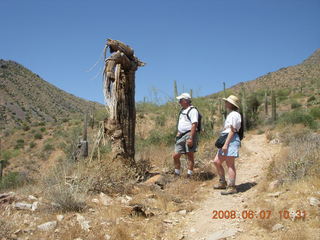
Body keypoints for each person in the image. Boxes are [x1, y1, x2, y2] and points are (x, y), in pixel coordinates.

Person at [213, 95, 242, 195]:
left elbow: (232, 130)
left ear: (231, 104)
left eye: (227, 102)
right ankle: (223, 182)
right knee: (217, 161)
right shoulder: (232, 114)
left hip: (231, 140)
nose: (225, 103)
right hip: (227, 139)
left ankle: (232, 187)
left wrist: (226, 144)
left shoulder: (234, 114)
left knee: (230, 164)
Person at [173, 93, 199, 178]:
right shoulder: (182, 110)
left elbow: (194, 124)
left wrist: (191, 138)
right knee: (176, 155)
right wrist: (179, 132)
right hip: (181, 135)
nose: (179, 102)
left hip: (189, 134)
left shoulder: (193, 110)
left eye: (180, 100)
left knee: (189, 155)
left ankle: (189, 175)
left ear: (185, 101)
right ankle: (177, 174)